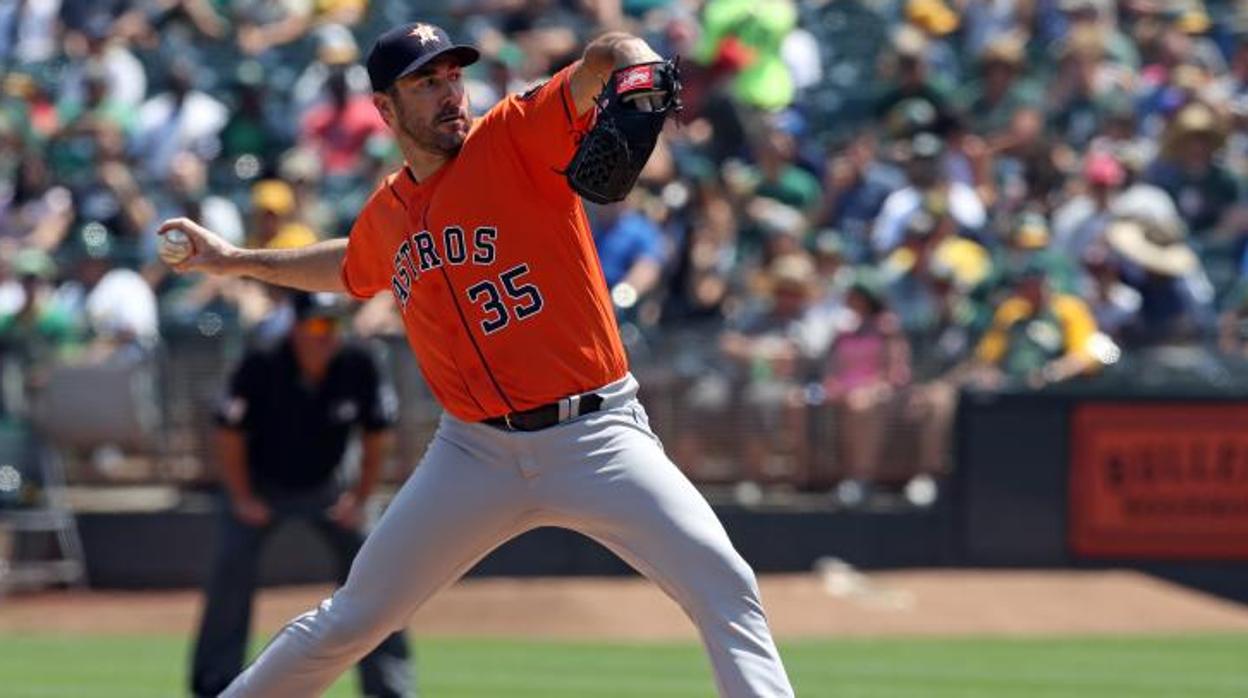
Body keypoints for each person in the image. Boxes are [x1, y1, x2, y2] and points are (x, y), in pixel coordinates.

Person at [160, 23, 794, 698]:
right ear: (384, 108)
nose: (449, 93)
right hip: (473, 453)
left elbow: (607, 53)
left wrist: (638, 71)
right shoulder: (390, 211)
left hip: (596, 435)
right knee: (350, 620)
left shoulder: (515, 136)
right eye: (425, 82)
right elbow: (349, 267)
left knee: (724, 584)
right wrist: (233, 260)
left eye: (453, 76)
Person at [189, 291, 411, 697]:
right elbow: (228, 433)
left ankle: (390, 689)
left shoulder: (359, 363)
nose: (326, 334)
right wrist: (241, 497)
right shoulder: (262, 363)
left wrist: (360, 499)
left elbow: (378, 437)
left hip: (328, 488)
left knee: (381, 568)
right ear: (296, 327)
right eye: (317, 324)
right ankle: (213, 685)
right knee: (229, 567)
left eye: (334, 324)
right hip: (261, 486)